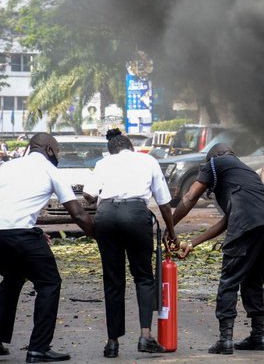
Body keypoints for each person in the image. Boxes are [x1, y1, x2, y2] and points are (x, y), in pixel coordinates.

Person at [172, 143, 264, 354]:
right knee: (253, 279)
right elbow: (226, 221)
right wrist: (192, 243)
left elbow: (189, 197)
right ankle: (259, 336)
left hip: (250, 220)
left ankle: (225, 339)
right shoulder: (245, 173)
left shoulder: (216, 162)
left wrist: (170, 228)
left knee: (229, 280)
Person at [82, 128, 178, 358]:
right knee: (143, 276)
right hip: (135, 215)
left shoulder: (104, 163)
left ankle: (112, 342)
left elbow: (88, 194)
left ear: (111, 149)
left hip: (106, 217)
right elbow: (164, 202)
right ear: (131, 147)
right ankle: (145, 335)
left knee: (113, 280)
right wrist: (171, 232)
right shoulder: (148, 160)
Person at [0, 133, 95, 363]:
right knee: (49, 283)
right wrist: (101, 237)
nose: (59, 156)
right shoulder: (51, 170)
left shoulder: (6, 167)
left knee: (12, 280)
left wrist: (35, 231)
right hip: (21, 236)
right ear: (50, 150)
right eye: (58, 151)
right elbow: (78, 214)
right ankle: (38, 349)